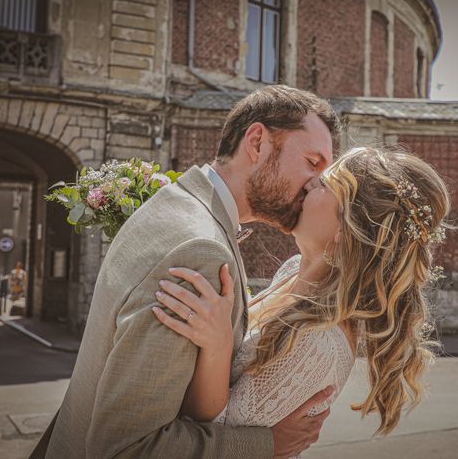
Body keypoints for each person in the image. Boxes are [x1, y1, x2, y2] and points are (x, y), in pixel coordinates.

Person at [30, 85, 342, 459]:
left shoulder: (176, 202)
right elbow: (128, 446)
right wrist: (267, 444)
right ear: (257, 143)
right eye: (312, 162)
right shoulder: (200, 250)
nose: (313, 184)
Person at [153, 146, 450, 447]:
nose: (309, 183)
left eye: (324, 184)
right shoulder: (293, 271)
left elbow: (220, 438)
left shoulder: (317, 344)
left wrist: (217, 347)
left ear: (346, 230)